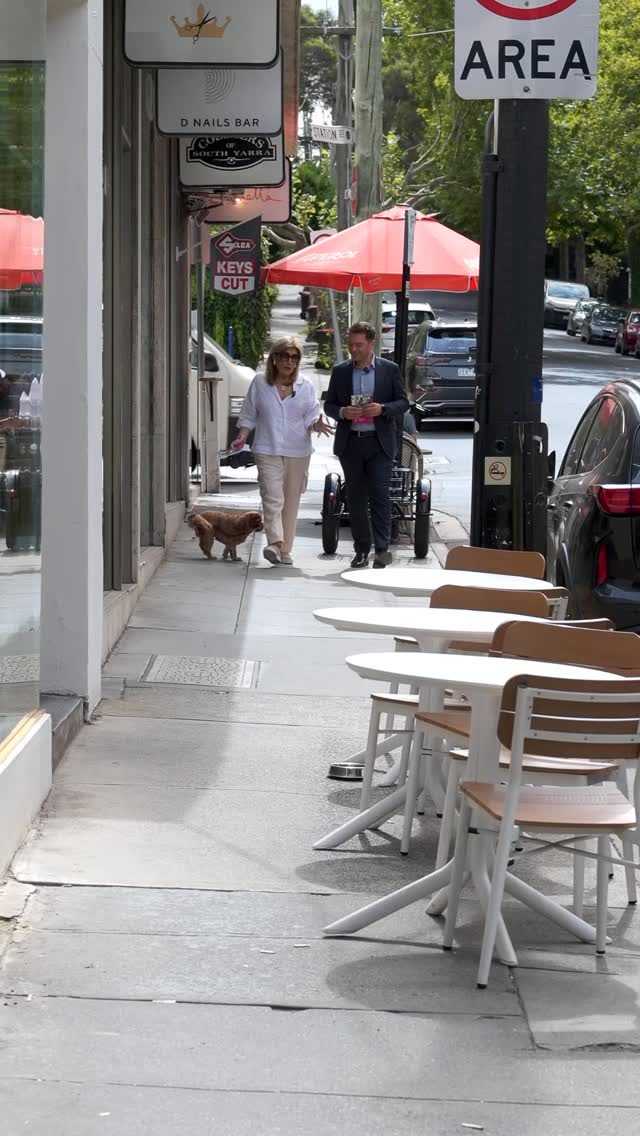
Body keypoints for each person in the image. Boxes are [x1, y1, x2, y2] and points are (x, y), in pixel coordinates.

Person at [232, 337, 333, 566]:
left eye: (295, 357)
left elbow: (311, 417)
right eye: (285, 356)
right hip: (266, 448)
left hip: (298, 451)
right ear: (274, 358)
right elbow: (248, 414)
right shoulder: (260, 382)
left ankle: (284, 550)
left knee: (290, 502)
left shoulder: (306, 385)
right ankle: (275, 543)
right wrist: (241, 438)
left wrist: (317, 425)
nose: (290, 361)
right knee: (272, 497)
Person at [324, 321, 409, 569]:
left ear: (371, 343)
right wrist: (343, 412)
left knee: (380, 496)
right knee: (356, 499)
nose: (354, 350)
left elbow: (403, 402)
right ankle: (361, 549)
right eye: (351, 345)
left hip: (379, 444)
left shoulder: (389, 370)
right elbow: (329, 405)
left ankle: (382, 550)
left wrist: (382, 409)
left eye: (359, 345)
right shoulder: (341, 371)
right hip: (351, 443)